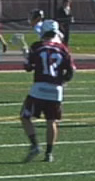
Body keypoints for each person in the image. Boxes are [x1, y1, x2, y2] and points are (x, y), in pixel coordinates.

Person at [20, 19, 75, 163]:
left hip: (39, 88)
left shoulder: (37, 46)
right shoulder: (63, 48)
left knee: (25, 117)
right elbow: (70, 72)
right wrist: (62, 81)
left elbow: (28, 67)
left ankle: (34, 145)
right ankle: (49, 153)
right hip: (56, 90)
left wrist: (26, 57)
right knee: (51, 121)